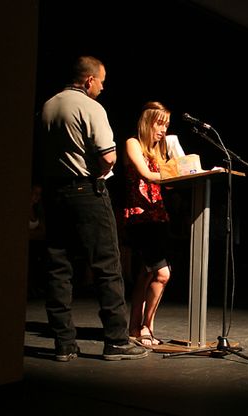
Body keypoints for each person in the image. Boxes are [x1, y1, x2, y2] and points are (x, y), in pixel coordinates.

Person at [40, 55, 148, 361]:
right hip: (86, 191)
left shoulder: (48, 106)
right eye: (101, 82)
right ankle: (115, 340)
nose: (102, 88)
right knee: (106, 266)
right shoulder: (91, 107)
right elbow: (109, 157)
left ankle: (63, 343)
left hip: (53, 193)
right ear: (90, 80)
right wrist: (98, 171)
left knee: (58, 268)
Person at [123, 101, 174, 347]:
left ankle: (134, 328)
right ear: (147, 121)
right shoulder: (133, 143)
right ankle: (146, 326)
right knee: (162, 274)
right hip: (140, 218)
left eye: (166, 125)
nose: (163, 130)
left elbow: (168, 184)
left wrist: (181, 165)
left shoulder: (161, 150)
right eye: (159, 123)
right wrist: (173, 173)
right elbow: (146, 174)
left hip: (159, 217)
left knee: (145, 274)